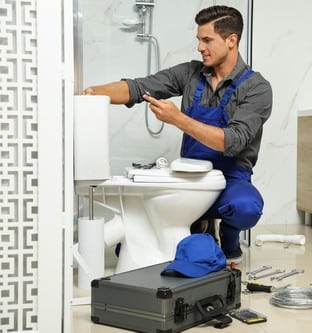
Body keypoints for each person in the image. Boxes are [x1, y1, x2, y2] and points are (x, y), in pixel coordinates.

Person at [83, 5, 273, 264]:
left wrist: (178, 119)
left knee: (245, 207)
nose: (200, 47)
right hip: (190, 178)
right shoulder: (190, 73)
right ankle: (202, 227)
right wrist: (92, 93)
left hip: (230, 177)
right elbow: (138, 88)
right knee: (143, 240)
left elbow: (232, 140)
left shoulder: (257, 88)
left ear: (231, 41)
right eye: (198, 39)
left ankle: (229, 240)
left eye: (207, 40)